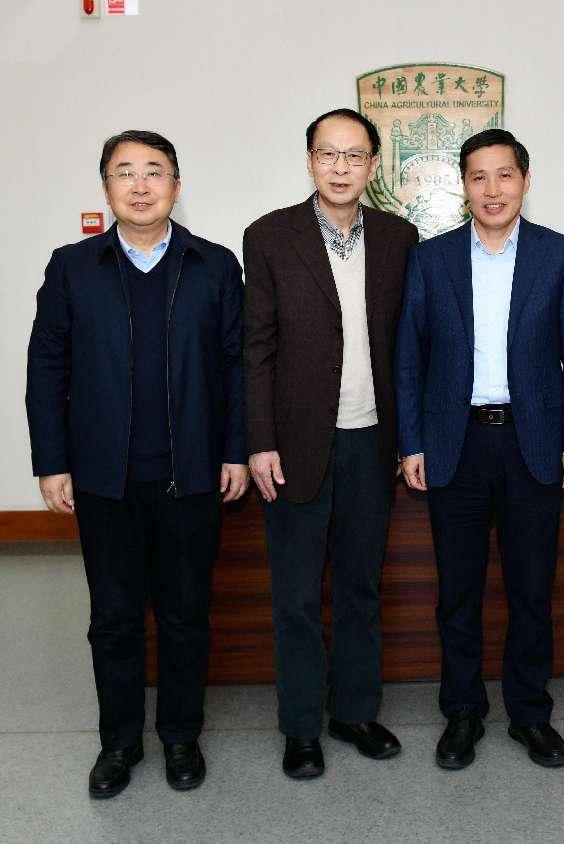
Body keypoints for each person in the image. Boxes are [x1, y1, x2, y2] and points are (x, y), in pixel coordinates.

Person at [26, 130, 249, 798]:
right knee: (114, 620)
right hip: (104, 478)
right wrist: (52, 461)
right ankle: (119, 744)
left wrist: (235, 451)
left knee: (185, 616)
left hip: (192, 474)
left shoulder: (213, 265)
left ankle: (180, 736)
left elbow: (237, 368)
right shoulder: (72, 267)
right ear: (106, 187)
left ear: (176, 186)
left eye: (155, 171)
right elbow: (46, 368)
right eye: (125, 172)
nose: (141, 184)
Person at [396, 128, 564, 770]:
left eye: (504, 175)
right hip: (453, 443)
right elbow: (409, 358)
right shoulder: (431, 259)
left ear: (525, 181)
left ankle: (530, 714)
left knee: (531, 590)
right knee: (457, 592)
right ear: (464, 185)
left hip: (531, 443)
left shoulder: (560, 255)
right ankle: (462, 712)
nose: (492, 189)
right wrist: (411, 442)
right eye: (478, 176)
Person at [242, 108, 419, 779]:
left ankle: (353, 712)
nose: (340, 168)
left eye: (354, 156)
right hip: (294, 448)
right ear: (309, 160)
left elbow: (408, 346)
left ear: (373, 165)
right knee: (294, 599)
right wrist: (260, 441)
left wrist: (409, 439)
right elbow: (256, 348)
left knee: (359, 590)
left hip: (371, 444)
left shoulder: (400, 238)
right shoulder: (269, 236)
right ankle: (300, 728)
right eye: (327, 154)